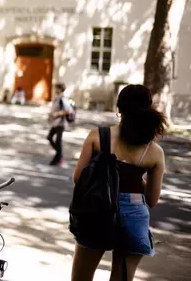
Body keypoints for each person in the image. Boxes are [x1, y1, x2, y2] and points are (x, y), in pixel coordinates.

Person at [70, 84, 167, 281]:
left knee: (82, 277)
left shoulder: (98, 136)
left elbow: (78, 178)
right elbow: (152, 199)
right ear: (148, 109)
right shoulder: (154, 151)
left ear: (119, 108)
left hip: (97, 211)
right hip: (134, 215)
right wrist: (132, 177)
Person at [47, 83, 72, 166]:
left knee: (58, 141)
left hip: (60, 123)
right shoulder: (58, 98)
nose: (55, 90)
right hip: (56, 123)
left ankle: (58, 158)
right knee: (50, 137)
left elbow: (68, 110)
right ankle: (59, 154)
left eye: (56, 88)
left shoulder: (63, 98)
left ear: (60, 89)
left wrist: (56, 114)